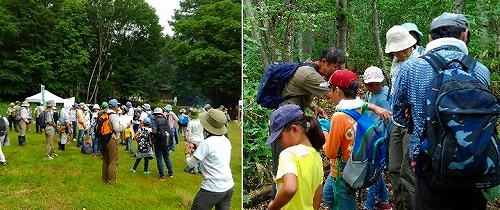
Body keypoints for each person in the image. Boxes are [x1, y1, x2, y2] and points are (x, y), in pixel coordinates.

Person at [392, 12, 490, 209]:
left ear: (429, 38)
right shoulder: (480, 70)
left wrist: (414, 112)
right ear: (465, 35)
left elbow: (397, 115)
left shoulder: (412, 67)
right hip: (474, 163)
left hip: (428, 163)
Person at [266, 104, 325, 210]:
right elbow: (318, 194)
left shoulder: (289, 154)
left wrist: (273, 207)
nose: (279, 143)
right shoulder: (316, 156)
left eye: (280, 138)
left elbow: (290, 188)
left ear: (294, 130)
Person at [385, 25, 417, 210]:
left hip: (412, 125)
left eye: (400, 49)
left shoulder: (419, 62)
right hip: (397, 121)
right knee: (394, 168)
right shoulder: (395, 64)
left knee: (408, 173)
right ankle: (400, 206)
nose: (397, 53)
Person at [321, 69, 362, 210]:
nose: (329, 95)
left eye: (330, 90)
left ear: (337, 90)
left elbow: (330, 152)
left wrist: (325, 133)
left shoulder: (339, 116)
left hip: (342, 174)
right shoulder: (360, 108)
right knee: (328, 196)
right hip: (354, 168)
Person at [184, 108, 234, 210]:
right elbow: (214, 154)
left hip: (212, 188)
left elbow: (190, 164)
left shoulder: (206, 143)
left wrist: (187, 153)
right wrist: (199, 147)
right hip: (228, 186)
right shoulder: (226, 140)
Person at [362, 66, 393, 210]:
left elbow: (389, 118)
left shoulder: (384, 95)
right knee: (376, 170)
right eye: (370, 84)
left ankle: (368, 206)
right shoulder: (369, 95)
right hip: (371, 136)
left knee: (375, 172)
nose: (374, 86)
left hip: (381, 139)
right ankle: (384, 201)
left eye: (377, 83)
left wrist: (389, 140)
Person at [102, 99, 131, 184]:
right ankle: (111, 181)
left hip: (104, 138)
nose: (118, 107)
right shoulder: (113, 115)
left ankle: (104, 179)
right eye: (117, 105)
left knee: (106, 160)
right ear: (115, 106)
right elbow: (117, 128)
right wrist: (126, 125)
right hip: (112, 138)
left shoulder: (105, 113)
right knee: (113, 161)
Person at [151, 107, 174, 179]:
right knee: (167, 157)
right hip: (166, 140)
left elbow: (154, 132)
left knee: (159, 158)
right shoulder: (166, 120)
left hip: (158, 141)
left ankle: (162, 175)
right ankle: (171, 173)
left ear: (155, 114)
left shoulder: (154, 121)